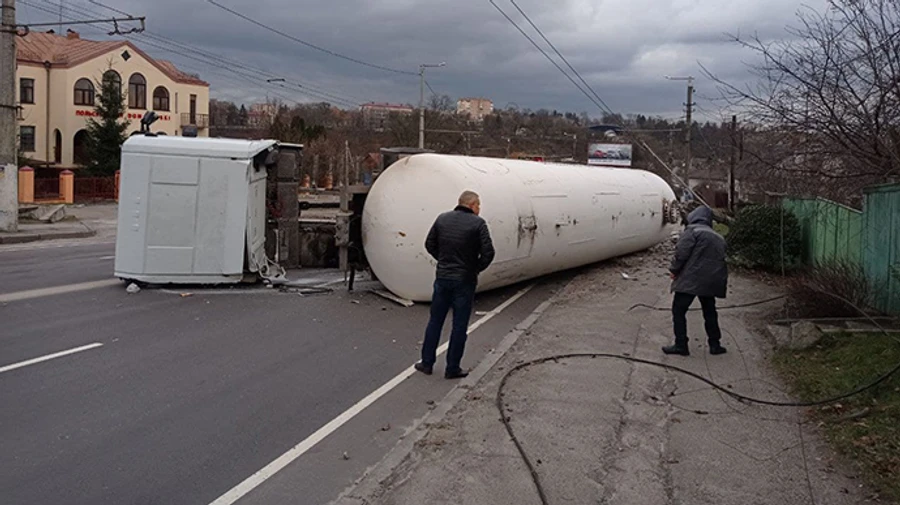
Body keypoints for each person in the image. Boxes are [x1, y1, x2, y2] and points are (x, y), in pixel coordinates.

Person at [415, 190, 495, 379]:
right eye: (478, 205)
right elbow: (489, 253)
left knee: (435, 321)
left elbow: (429, 244)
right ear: (472, 204)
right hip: (464, 281)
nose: (479, 209)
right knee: (459, 325)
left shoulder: (442, 219)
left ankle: (427, 363)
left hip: (443, 278)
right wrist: (474, 268)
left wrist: (442, 260)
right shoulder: (478, 224)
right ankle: (452, 368)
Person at [663, 206, 728, 356]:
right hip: (711, 281)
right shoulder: (718, 237)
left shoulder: (692, 231)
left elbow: (681, 253)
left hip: (691, 280)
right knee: (710, 311)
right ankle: (715, 345)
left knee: (678, 311)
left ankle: (681, 345)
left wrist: (674, 270)